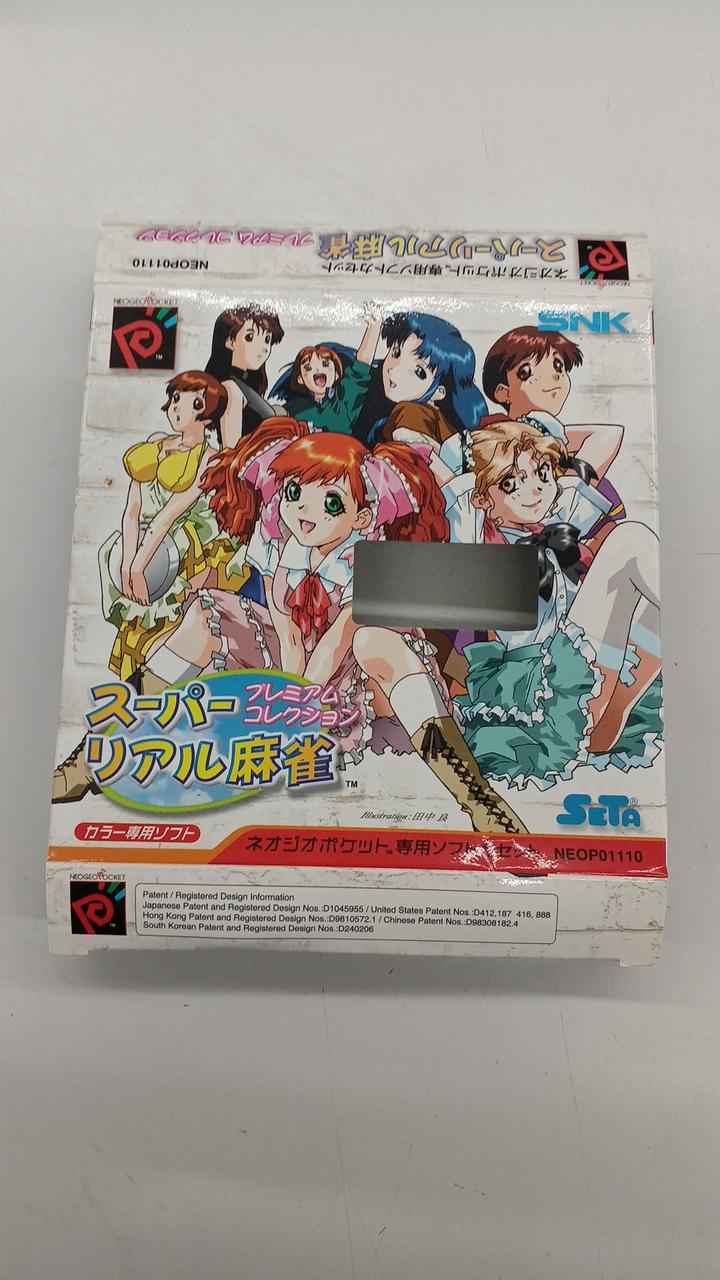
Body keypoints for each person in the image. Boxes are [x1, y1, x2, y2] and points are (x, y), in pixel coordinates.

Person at [141, 418, 525, 834]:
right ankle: (126, 736)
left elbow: (335, 645)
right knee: (204, 614)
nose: (304, 511)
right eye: (294, 493)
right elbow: (288, 636)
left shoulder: (368, 555)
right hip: (297, 664)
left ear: (361, 517)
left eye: (331, 503)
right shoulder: (276, 537)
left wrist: (293, 712)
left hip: (355, 674)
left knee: (373, 640)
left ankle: (477, 798)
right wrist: (284, 701)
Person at [52, 370, 248, 803]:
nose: (179, 409)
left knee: (170, 650)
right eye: (175, 399)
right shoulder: (156, 445)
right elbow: (133, 508)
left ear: (207, 413)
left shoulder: (208, 458)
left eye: (191, 403)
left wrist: (140, 562)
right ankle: (106, 757)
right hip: (142, 556)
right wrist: (128, 560)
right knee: (138, 651)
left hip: (184, 555)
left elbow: (171, 514)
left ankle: (102, 759)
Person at [450, 420, 662, 788]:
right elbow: (451, 481)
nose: (533, 489)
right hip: (540, 690)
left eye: (543, 473)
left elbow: (608, 435)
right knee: (628, 544)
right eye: (510, 484)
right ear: (482, 498)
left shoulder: (562, 515)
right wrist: (477, 445)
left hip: (592, 687)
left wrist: (531, 433)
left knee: (656, 608)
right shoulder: (473, 532)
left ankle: (612, 715)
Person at [480, 325, 626, 539]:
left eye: (558, 366)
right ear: (503, 392)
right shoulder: (491, 437)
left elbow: (610, 434)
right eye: (527, 372)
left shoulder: (549, 433)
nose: (554, 377)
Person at [352, 311, 488, 449]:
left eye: (419, 371)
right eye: (396, 353)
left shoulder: (414, 413)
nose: (394, 369)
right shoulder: (375, 390)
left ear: (439, 391)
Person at [269, 313, 381, 434]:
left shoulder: (344, 400)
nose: (318, 369)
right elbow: (276, 416)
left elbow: (362, 363)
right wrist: (276, 412)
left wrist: (375, 325)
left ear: (336, 374)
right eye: (308, 367)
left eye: (325, 364)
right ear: (300, 378)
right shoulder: (296, 407)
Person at [205, 306, 285, 446]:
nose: (263, 347)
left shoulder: (243, 385)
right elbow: (231, 450)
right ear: (230, 342)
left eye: (267, 339)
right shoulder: (231, 389)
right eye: (250, 337)